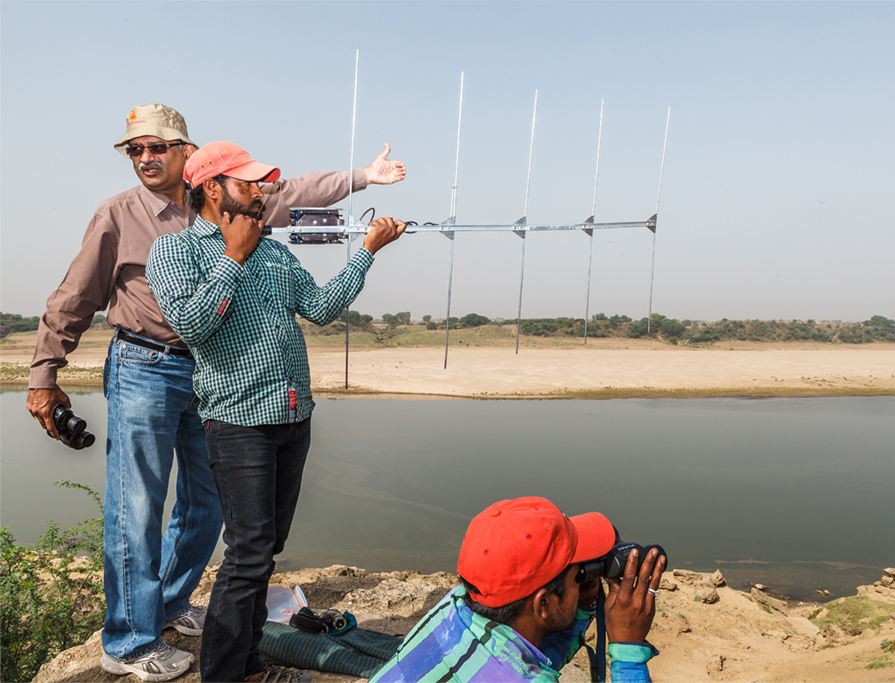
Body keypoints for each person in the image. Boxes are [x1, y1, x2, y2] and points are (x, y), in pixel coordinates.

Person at [25, 103, 406, 682]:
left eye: (158, 147)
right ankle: (128, 641)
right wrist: (44, 374)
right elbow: (75, 297)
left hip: (214, 381)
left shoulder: (251, 214)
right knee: (139, 506)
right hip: (147, 365)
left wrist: (363, 181)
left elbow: (302, 193)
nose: (146, 159)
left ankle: (174, 605)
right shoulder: (126, 217)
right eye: (135, 150)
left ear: (187, 155)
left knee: (207, 507)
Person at [146, 140, 406, 683]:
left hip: (293, 419)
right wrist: (233, 256)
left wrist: (367, 252)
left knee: (265, 551)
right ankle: (226, 673)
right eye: (248, 183)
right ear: (212, 188)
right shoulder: (175, 253)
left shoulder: (274, 251)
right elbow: (193, 327)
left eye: (262, 183)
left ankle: (247, 662)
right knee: (246, 557)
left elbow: (321, 308)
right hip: (239, 424)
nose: (262, 191)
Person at [370, 496, 666, 683]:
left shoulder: (455, 604)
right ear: (543, 604)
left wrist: (583, 600)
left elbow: (529, 645)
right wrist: (627, 649)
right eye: (577, 575)